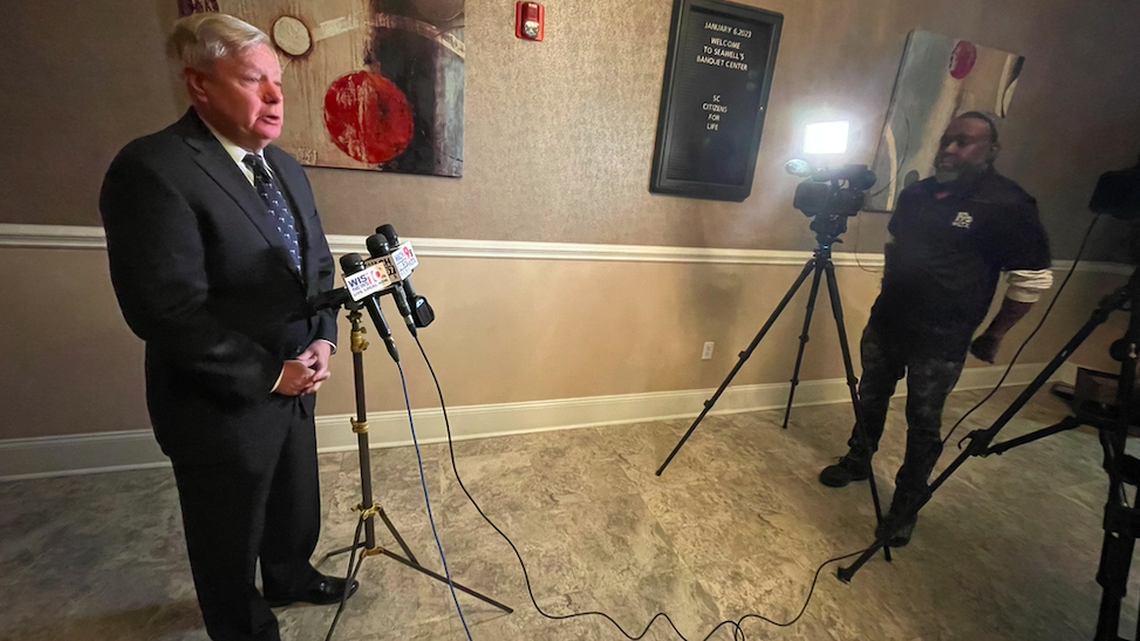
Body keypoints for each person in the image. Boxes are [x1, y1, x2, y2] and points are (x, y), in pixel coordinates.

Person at [99, 13, 355, 641]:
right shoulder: (153, 168)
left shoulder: (285, 167)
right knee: (228, 529)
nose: (274, 97)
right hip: (218, 399)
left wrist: (322, 338)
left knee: (294, 501)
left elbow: (317, 265)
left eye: (278, 82)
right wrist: (271, 374)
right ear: (200, 85)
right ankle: (241, 625)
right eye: (252, 80)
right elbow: (165, 311)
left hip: (299, 376)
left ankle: (290, 575)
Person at [819, 112, 1054, 546]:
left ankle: (906, 503)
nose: (949, 149)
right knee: (870, 395)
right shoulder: (917, 193)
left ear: (991, 150)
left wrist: (995, 333)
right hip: (888, 321)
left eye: (963, 142)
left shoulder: (1008, 205)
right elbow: (896, 245)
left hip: (942, 336)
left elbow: (1032, 278)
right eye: (946, 140)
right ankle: (858, 458)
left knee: (923, 421)